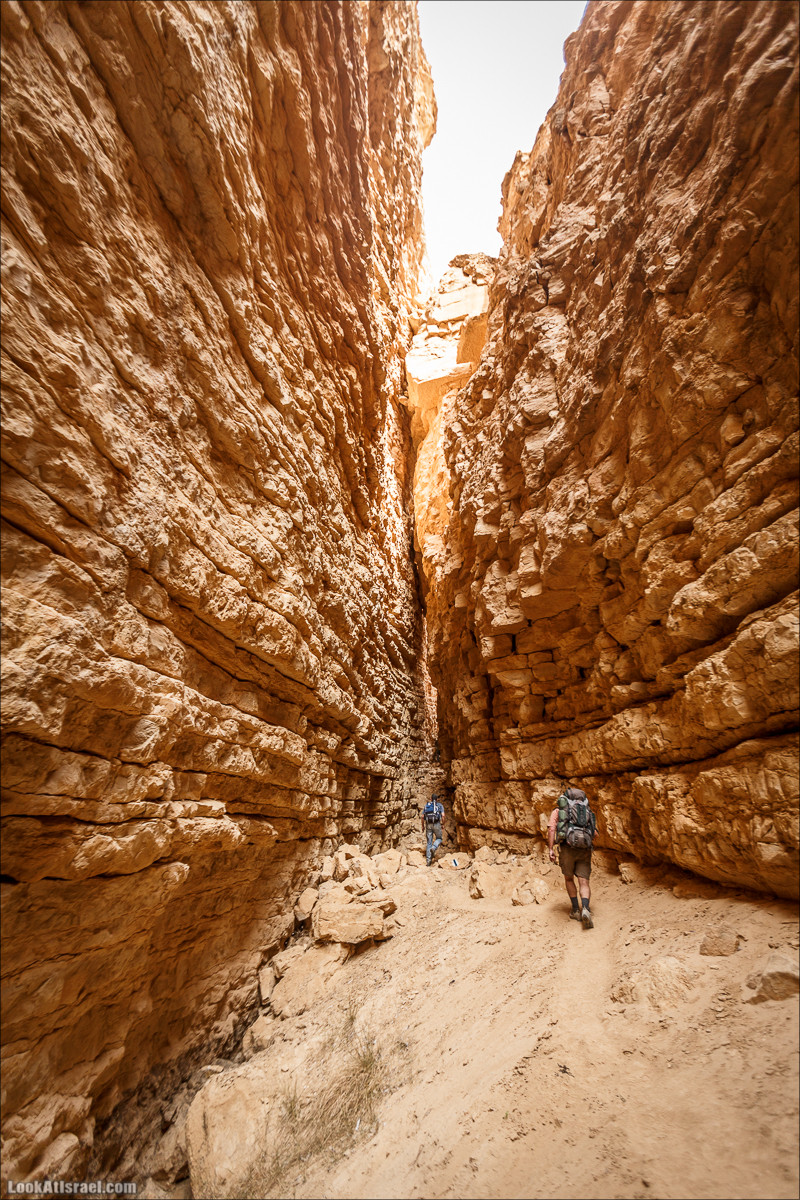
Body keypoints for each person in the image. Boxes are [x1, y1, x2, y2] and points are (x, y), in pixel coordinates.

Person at [548, 786, 596, 929]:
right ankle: (586, 909)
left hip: (567, 848)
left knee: (569, 878)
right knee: (584, 881)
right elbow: (595, 833)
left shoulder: (558, 811)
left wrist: (551, 849)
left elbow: (551, 829)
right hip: (584, 848)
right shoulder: (587, 812)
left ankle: (575, 910)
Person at [422, 793, 445, 866]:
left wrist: (422, 826)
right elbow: (443, 815)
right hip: (437, 824)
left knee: (429, 841)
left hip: (428, 825)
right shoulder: (440, 805)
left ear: (431, 799)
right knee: (439, 838)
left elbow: (422, 817)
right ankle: (434, 847)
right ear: (437, 799)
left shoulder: (427, 805)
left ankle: (428, 861)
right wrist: (443, 824)